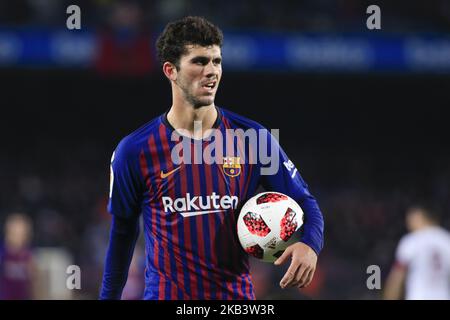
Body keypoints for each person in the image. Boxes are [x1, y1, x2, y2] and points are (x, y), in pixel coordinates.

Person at [100, 16, 324, 300]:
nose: (212, 71)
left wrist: (310, 244)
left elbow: (306, 202)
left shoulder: (252, 137)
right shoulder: (133, 151)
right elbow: (122, 234)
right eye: (200, 61)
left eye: (216, 61)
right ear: (171, 70)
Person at [383, 204, 450, 300]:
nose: (408, 223)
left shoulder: (412, 240)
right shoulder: (446, 239)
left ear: (420, 217)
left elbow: (397, 276)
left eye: (411, 219)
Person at [0, 213, 36, 300]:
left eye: (21, 234)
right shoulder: (3, 253)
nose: (17, 237)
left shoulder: (29, 255)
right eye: (14, 233)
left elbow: (33, 281)